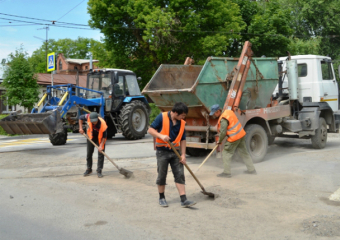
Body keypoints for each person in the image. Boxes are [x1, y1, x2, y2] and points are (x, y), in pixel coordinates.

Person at [148, 102, 196, 208]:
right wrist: (161, 136)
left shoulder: (182, 123)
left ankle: (184, 199)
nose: (183, 117)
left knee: (179, 174)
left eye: (184, 115)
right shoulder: (162, 117)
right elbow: (150, 130)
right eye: (182, 115)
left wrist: (183, 154)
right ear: (175, 112)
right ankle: (162, 198)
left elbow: (183, 140)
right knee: (162, 175)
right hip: (162, 152)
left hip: (175, 152)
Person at [210, 104, 256, 178]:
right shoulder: (228, 112)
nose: (214, 115)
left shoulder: (223, 118)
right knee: (244, 153)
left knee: (226, 152)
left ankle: (227, 173)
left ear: (218, 111)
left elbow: (223, 132)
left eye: (214, 113)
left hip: (234, 137)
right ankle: (251, 169)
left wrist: (220, 141)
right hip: (241, 134)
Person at [79, 112, 108, 178]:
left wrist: (100, 146)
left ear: (97, 118)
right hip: (91, 137)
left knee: (101, 154)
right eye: (92, 121)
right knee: (89, 153)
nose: (94, 123)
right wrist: (80, 128)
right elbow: (80, 118)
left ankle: (99, 170)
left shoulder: (103, 124)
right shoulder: (88, 116)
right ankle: (89, 169)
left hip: (100, 138)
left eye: (95, 121)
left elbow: (104, 136)